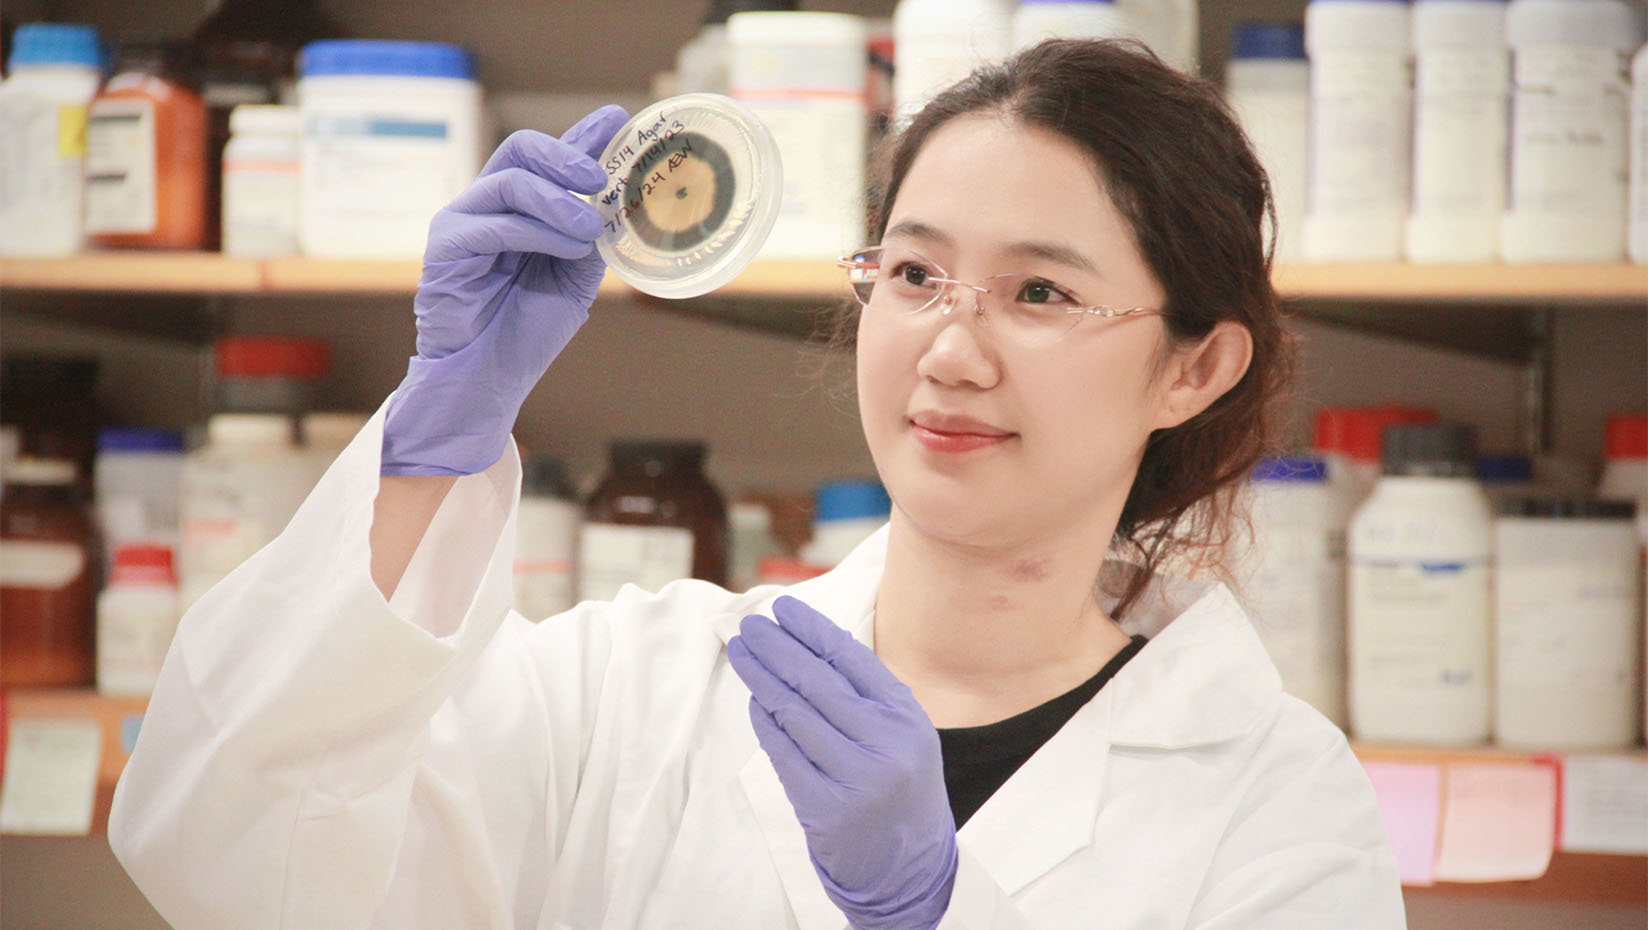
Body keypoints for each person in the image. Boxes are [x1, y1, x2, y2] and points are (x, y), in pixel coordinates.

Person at [110, 39, 1404, 930]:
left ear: (1197, 365)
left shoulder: (1279, 797)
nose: (951, 350)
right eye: (913, 273)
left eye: (1043, 291)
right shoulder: (639, 690)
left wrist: (933, 910)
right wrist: (434, 442)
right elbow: (230, 855)